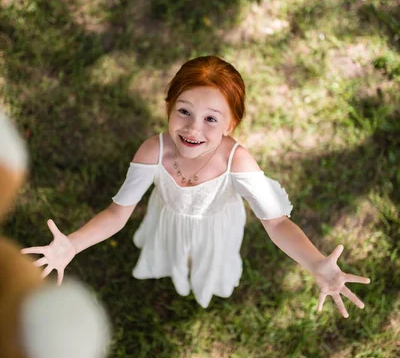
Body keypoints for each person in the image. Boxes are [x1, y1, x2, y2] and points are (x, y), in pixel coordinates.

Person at [22, 56, 370, 317]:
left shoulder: (238, 161)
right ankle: (176, 270)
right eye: (184, 111)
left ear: (231, 123)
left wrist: (316, 264)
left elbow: (277, 223)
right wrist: (73, 245)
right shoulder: (153, 150)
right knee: (173, 252)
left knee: (208, 260)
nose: (193, 129)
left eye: (211, 119)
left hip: (215, 226)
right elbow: (117, 213)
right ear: (169, 107)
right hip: (168, 218)